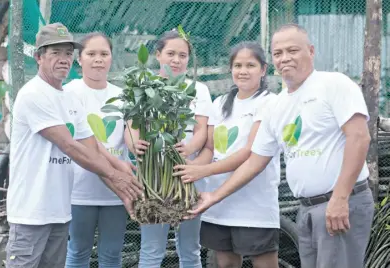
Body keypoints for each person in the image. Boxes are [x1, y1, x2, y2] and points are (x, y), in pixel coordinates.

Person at [188, 23, 374, 268]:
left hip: (339, 202)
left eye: (293, 50)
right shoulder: (279, 105)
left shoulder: (333, 84)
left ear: (311, 51)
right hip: (307, 208)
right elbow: (255, 160)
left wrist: (340, 198)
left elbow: (359, 138)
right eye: (278, 53)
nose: (285, 58)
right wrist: (214, 196)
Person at [6, 23, 142, 268]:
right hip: (30, 212)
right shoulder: (34, 94)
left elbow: (92, 146)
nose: (63, 59)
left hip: (59, 211)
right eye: (55, 53)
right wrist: (115, 175)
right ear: (38, 57)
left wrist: (123, 183)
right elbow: (69, 146)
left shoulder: (68, 97)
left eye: (67, 53)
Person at [173, 41, 280, 268]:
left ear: (263, 70)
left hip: (254, 203)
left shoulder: (269, 103)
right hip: (218, 203)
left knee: (264, 263)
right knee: (226, 263)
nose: (243, 71)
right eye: (237, 65)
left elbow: (248, 153)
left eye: (250, 65)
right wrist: (188, 168)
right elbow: (210, 149)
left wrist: (201, 170)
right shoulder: (220, 103)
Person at [124, 30, 213, 268]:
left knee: (190, 249)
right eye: (171, 53)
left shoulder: (199, 90)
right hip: (154, 179)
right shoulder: (144, 87)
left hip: (189, 175)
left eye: (182, 55)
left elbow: (202, 131)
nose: (176, 60)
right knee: (152, 250)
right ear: (157, 55)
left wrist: (187, 148)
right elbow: (131, 127)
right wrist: (134, 143)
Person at [64, 32, 133, 268]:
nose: (98, 60)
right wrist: (118, 166)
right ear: (79, 59)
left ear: (112, 58)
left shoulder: (122, 95)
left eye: (104, 54)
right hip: (79, 188)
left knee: (112, 254)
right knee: (78, 251)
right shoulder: (70, 92)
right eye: (91, 54)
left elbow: (129, 134)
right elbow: (83, 141)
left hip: (117, 190)